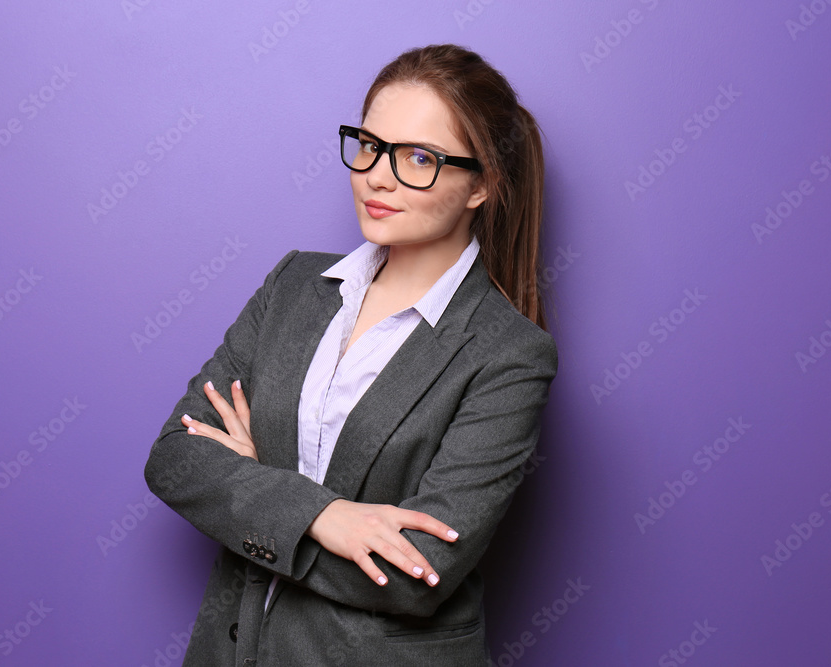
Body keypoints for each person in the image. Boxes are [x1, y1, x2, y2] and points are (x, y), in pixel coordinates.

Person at [144, 43, 558, 666]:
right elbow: (176, 459)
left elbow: (421, 572)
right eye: (369, 145)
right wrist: (327, 516)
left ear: (483, 185)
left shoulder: (511, 355)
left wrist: (257, 491)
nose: (378, 175)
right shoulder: (293, 286)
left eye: (420, 157)